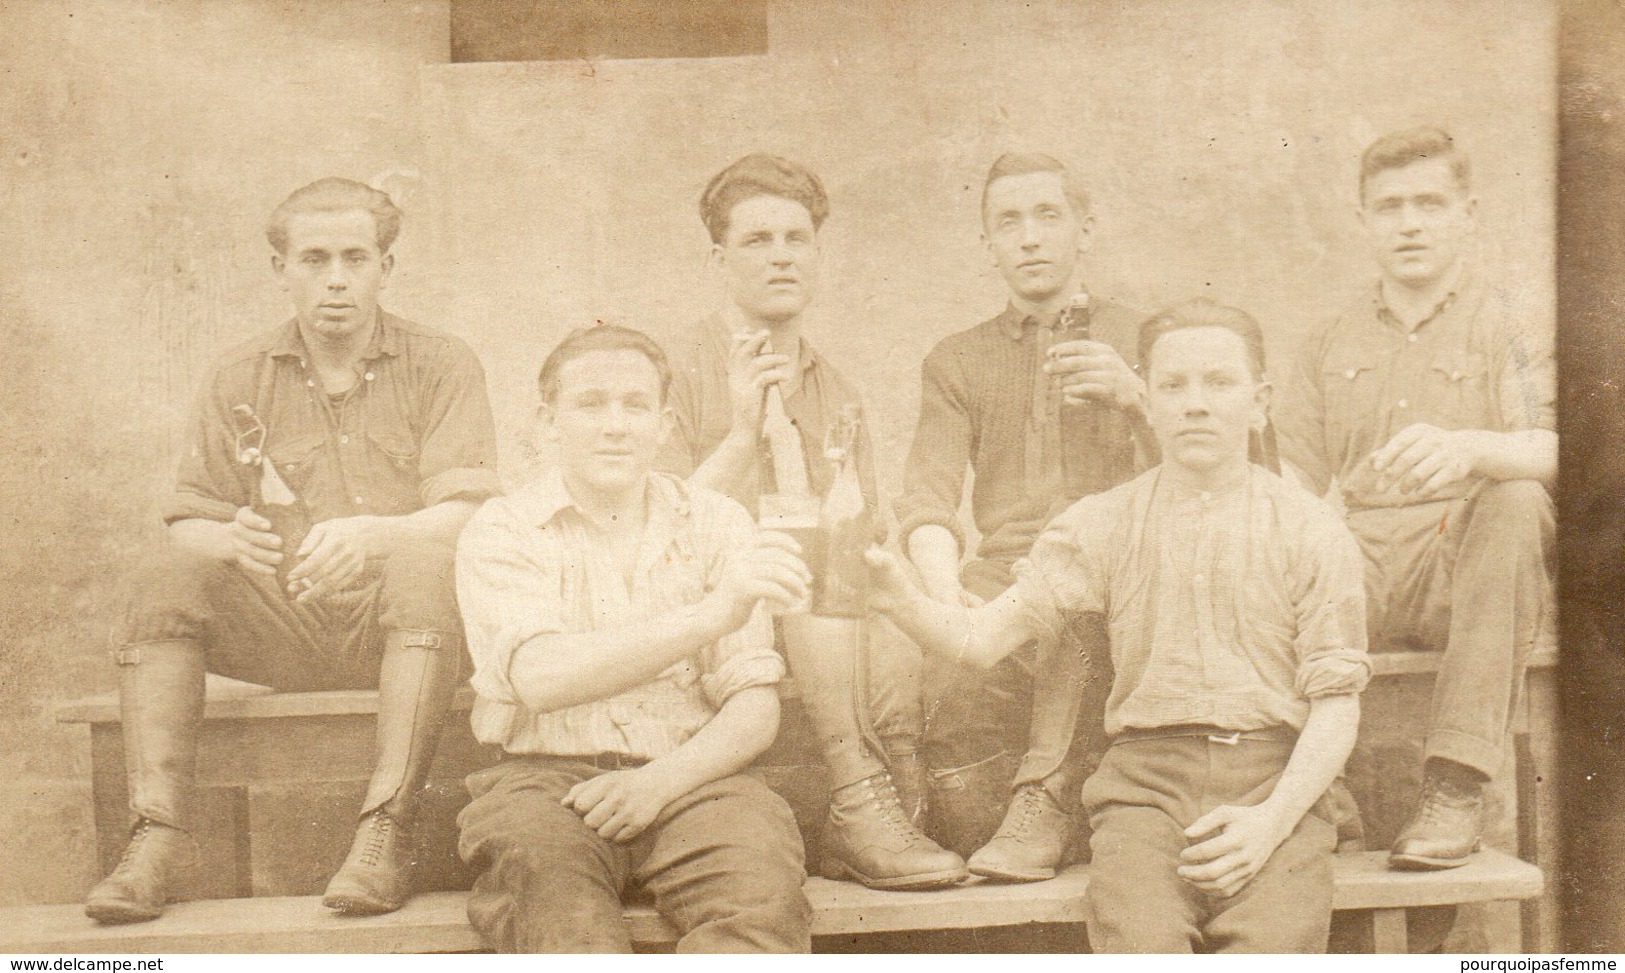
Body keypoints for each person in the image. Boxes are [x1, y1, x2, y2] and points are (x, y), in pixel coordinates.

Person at [870, 298, 1370, 951]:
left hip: (1272, 780)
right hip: (1144, 792)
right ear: (1147, 397)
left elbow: (1336, 704)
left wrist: (1272, 821)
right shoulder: (1100, 523)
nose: (1193, 403)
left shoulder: (1310, 529)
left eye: (1218, 382)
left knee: (1273, 946)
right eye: (1172, 384)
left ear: (1259, 400)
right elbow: (984, 638)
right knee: (1139, 941)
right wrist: (896, 596)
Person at [85, 177, 501, 923]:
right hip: (287, 626)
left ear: (386, 266)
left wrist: (380, 533)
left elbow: (468, 511)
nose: (335, 279)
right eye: (313, 259)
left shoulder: (443, 362)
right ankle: (154, 839)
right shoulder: (238, 374)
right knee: (163, 575)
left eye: (355, 257)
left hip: (413, 627)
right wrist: (224, 536)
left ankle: (383, 833)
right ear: (280, 268)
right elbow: (189, 521)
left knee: (426, 561)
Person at [652, 154, 964, 889]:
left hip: (816, 620)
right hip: (695, 606)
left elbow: (865, 538)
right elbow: (648, 533)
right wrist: (740, 431)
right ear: (718, 258)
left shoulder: (837, 388)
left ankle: (900, 801)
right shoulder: (672, 369)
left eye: (797, 238)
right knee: (801, 570)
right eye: (757, 240)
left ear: (817, 254)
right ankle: (860, 800)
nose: (781, 255)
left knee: (891, 599)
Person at [454, 325, 812, 952]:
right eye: (590, 404)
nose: (615, 425)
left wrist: (657, 784)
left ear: (664, 425)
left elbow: (754, 704)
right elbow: (540, 677)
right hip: (543, 783)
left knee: (759, 891)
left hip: (692, 778)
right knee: (559, 914)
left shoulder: (717, 522)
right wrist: (707, 617)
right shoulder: (504, 527)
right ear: (547, 422)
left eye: (635, 405)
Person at [1273, 127, 1557, 870]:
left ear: (1467, 212)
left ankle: (1455, 784)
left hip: (1459, 569)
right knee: (1266, 534)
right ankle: (1310, 792)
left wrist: (1472, 447)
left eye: (1428, 203)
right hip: (1354, 574)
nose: (1408, 223)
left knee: (1518, 498)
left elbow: (1566, 451)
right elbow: (1288, 483)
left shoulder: (1509, 326)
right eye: (1388, 206)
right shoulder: (1325, 340)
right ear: (1362, 219)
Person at [893, 152, 1155, 879]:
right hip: (1001, 580)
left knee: (1078, 594)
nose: (1029, 238)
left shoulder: (1143, 337)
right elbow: (926, 496)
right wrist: (946, 596)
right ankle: (1037, 816)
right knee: (959, 778)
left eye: (1048, 216)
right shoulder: (957, 358)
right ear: (988, 244)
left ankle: (1046, 796)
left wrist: (1138, 398)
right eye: (1008, 222)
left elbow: (1212, 475)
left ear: (1084, 227)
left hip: (1122, 578)